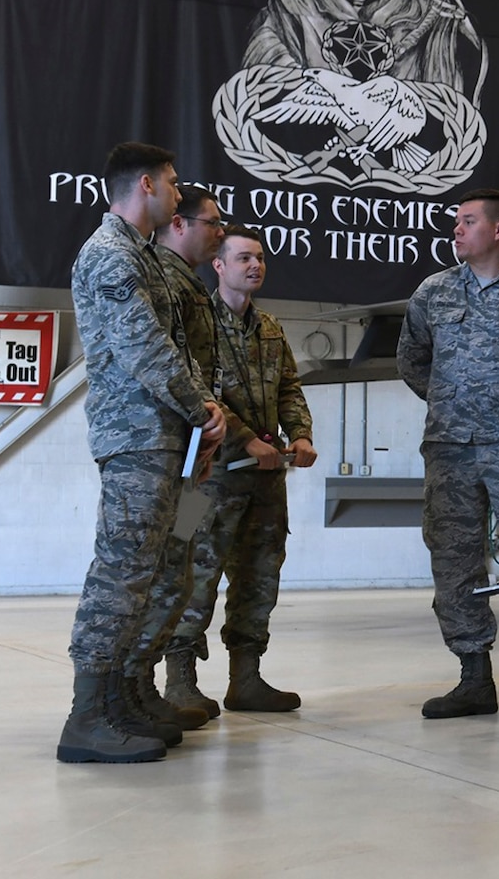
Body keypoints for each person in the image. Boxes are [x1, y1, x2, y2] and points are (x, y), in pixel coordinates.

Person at [59, 142, 226, 764]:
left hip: (173, 444)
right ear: (149, 186)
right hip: (138, 441)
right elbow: (146, 351)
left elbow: (181, 351)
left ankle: (123, 695)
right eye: (174, 184)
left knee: (161, 568)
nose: (180, 193)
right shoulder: (109, 257)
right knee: (123, 572)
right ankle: (87, 714)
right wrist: (203, 411)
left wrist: (199, 425)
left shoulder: (147, 259)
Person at [397, 188, 499, 718]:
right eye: (456, 222)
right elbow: (411, 359)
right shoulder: (433, 292)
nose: (456, 230)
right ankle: (473, 677)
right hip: (449, 450)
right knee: (454, 562)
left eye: (468, 222)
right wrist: (452, 402)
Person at [162, 225, 318, 719]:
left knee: (259, 576)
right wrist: (245, 437)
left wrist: (300, 435)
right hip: (201, 478)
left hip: (264, 480)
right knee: (189, 574)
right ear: (220, 266)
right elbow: (197, 389)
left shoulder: (270, 328)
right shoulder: (195, 324)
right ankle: (179, 682)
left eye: (261, 259)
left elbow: (290, 388)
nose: (255, 265)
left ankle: (245, 680)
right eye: (244, 258)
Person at [126, 184, 226, 737]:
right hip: (170, 452)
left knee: (181, 564)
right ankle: (145, 682)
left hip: (194, 461)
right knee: (163, 570)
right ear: (181, 226)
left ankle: (148, 684)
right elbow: (166, 367)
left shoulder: (193, 285)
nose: (219, 231)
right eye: (211, 222)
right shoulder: (164, 279)